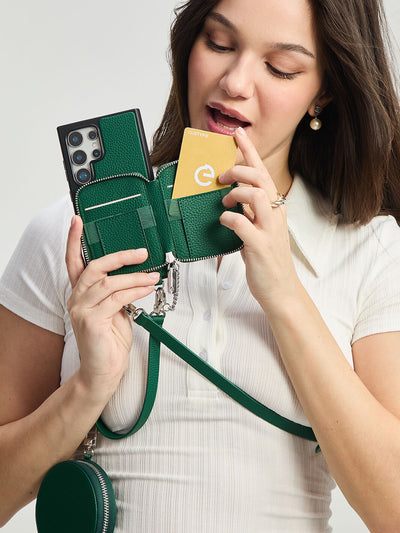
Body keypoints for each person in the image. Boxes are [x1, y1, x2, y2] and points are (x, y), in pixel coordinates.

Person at [1, 0, 400, 531]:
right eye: (219, 43)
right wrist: (87, 388)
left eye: (280, 67)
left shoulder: (370, 250)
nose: (234, 82)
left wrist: (284, 294)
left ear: (323, 92)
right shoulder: (70, 236)